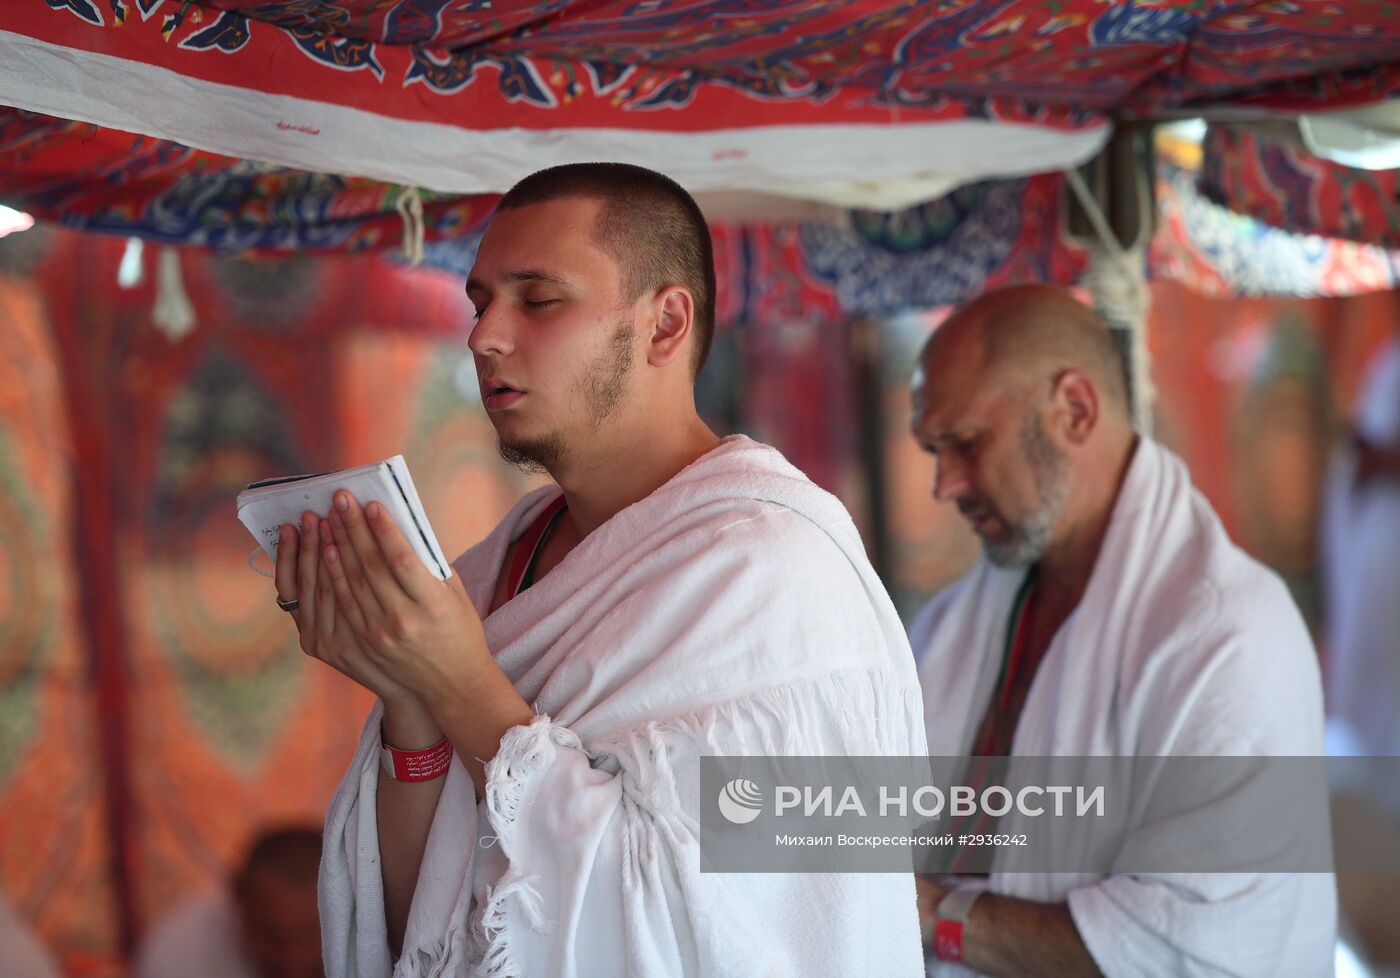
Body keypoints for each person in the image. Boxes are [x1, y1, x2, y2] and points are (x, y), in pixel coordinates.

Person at [279, 163, 928, 976]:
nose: (484, 335)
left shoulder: (773, 572)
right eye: (481, 301)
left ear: (664, 325)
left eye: (539, 300)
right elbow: (420, 926)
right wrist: (412, 704)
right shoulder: (486, 572)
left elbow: (687, 930)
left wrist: (463, 689)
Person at [906, 285, 1335, 977]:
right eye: (932, 448)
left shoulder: (1231, 634)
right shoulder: (952, 625)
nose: (943, 485)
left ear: (1074, 410)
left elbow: (1185, 950)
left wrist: (931, 916)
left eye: (964, 442)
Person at [135, 826, 323, 978]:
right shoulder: (178, 954)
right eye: (271, 935)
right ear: (238, 898)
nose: (293, 960)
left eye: (307, 934)